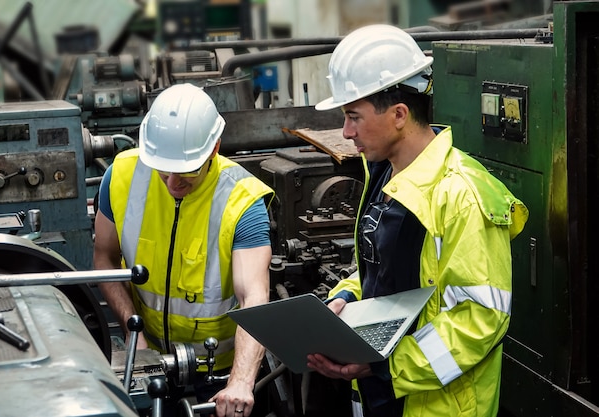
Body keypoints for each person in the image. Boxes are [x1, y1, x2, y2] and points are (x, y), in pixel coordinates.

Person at [309, 24, 529, 417]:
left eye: (353, 116)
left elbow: (480, 320)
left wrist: (384, 366)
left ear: (398, 114)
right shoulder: (383, 176)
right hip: (381, 399)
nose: (346, 132)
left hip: (437, 406)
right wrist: (344, 298)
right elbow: (380, 269)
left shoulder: (462, 195)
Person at [93, 83, 274, 417]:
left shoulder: (242, 200)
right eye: (163, 169)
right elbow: (104, 257)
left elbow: (254, 298)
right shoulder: (121, 176)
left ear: (215, 148)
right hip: (148, 362)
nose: (173, 183)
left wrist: (241, 382)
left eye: (186, 171)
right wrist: (136, 339)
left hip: (218, 375)